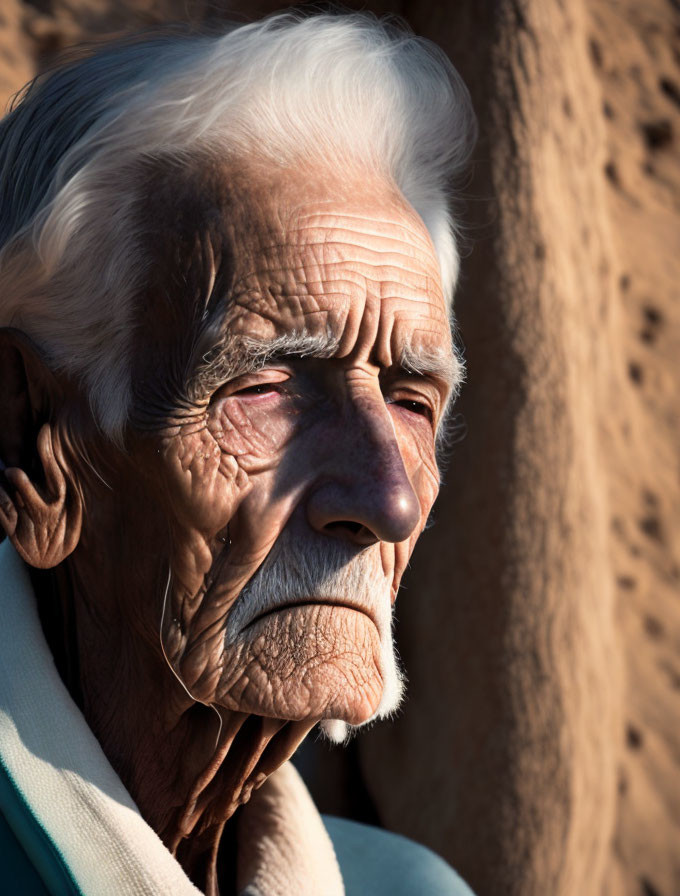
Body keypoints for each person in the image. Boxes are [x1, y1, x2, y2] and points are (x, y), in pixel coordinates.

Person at [0, 12, 476, 895]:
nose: (389, 500)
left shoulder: (411, 887)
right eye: (268, 387)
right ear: (31, 439)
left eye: (412, 400)